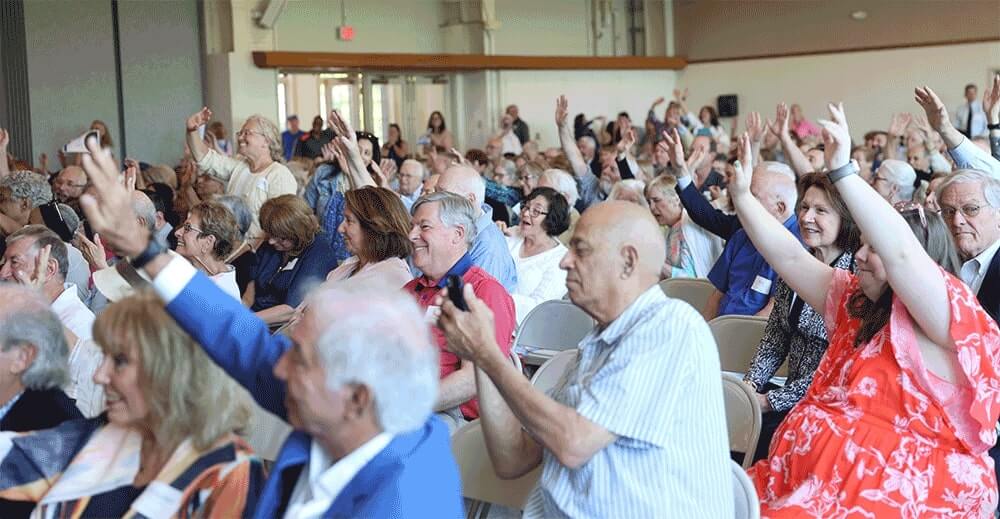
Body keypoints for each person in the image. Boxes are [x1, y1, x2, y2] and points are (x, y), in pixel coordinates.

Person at [74, 133, 463, 516]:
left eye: (300, 359)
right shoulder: (346, 407)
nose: (280, 365)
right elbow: (241, 337)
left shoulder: (405, 497)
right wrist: (144, 249)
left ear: (358, 397)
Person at [737, 104, 1000, 515]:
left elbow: (900, 254)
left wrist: (843, 171)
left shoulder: (945, 314)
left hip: (901, 496)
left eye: (871, 249)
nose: (858, 255)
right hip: (811, 484)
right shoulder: (857, 299)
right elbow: (789, 258)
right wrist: (741, 198)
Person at [438, 201, 733, 517]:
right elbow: (513, 458)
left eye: (580, 250)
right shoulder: (594, 345)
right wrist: (480, 359)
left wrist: (488, 353)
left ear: (627, 262)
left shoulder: (669, 327)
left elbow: (574, 442)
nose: (565, 261)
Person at [0, 291, 263, 517]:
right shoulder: (107, 433)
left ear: (172, 372)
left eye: (120, 361)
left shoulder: (228, 470)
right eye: (104, 357)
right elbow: (16, 458)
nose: (99, 375)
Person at [742, 173, 859, 463]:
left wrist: (769, 401)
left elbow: (837, 368)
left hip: (826, 406)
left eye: (820, 211)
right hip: (786, 399)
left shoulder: (858, 274)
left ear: (844, 217)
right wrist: (749, 387)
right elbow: (775, 337)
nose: (807, 217)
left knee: (761, 441)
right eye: (804, 207)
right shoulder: (798, 262)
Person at [403, 191, 515, 430]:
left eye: (424, 227)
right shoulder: (410, 290)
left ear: (457, 234)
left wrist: (406, 405)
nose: (412, 236)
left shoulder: (484, 293)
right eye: (412, 227)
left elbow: (474, 379)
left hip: (450, 417)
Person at [665, 129, 800, 319]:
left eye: (752, 196)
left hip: (749, 337)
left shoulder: (800, 246)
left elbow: (771, 314)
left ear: (780, 207)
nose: (744, 201)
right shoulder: (743, 230)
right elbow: (715, 298)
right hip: (723, 327)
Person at [2, 225, 105, 419]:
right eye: (3, 262)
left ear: (49, 269)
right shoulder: (21, 315)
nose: (3, 273)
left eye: (14, 263)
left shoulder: (82, 327)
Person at [186, 107, 298, 243]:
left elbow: (281, 224)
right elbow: (206, 160)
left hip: (257, 252)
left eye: (247, 133)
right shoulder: (240, 166)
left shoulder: (279, 174)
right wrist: (192, 131)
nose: (240, 137)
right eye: (240, 133)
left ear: (266, 141)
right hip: (231, 246)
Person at [245, 195, 338, 325]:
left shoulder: (319, 252)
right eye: (269, 234)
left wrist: (244, 321)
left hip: (282, 325)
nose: (271, 241)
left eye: (281, 238)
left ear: (298, 234)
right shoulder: (272, 242)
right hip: (255, 316)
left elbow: (292, 308)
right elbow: (251, 283)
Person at [436, 164, 518, 292]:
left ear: (469, 200)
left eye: (441, 194)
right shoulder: (462, 227)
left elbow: (476, 302)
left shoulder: (488, 247)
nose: (433, 200)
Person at [503, 187, 570, 324]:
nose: (525, 213)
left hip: (521, 331)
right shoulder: (513, 234)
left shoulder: (560, 260)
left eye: (536, 211)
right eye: (526, 207)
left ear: (551, 219)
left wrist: (495, 295)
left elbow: (539, 308)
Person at [324, 186, 412, 289]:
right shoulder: (350, 264)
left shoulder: (393, 278)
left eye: (349, 221)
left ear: (373, 228)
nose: (340, 229)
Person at [644, 175, 723, 278]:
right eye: (649, 202)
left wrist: (657, 264)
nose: (652, 207)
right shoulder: (670, 229)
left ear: (676, 199)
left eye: (656, 200)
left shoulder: (690, 226)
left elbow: (692, 278)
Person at [175, 200, 242, 299]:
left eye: (187, 228)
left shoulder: (222, 294)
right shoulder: (190, 270)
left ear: (208, 242)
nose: (177, 232)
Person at [537, 169, 581, 246]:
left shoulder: (576, 226)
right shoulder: (535, 212)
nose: (537, 196)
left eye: (545, 193)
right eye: (537, 191)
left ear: (565, 198)